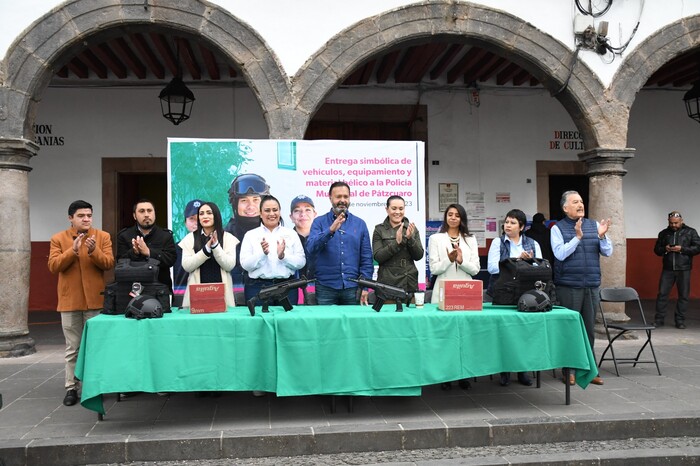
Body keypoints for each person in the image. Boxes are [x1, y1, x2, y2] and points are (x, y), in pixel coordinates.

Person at [48, 200, 114, 407]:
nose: (86, 219)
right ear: (71, 218)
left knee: (96, 346)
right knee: (73, 347)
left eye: (89, 215)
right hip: (70, 302)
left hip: (95, 301)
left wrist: (94, 251)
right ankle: (71, 387)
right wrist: (73, 251)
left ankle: (95, 386)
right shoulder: (58, 239)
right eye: (81, 216)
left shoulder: (102, 236)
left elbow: (109, 264)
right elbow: (53, 266)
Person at [551, 190, 611, 386]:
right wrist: (577, 238)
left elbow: (608, 252)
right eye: (575, 202)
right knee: (570, 329)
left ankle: (590, 370)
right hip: (569, 285)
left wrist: (602, 236)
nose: (580, 205)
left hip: (591, 285)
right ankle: (569, 371)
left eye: (582, 202)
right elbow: (559, 254)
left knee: (589, 330)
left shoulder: (594, 225)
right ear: (565, 207)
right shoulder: (557, 228)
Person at [487, 209, 542, 387]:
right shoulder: (498, 242)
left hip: (525, 293)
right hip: (503, 292)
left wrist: (530, 262)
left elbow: (540, 268)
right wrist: (516, 260)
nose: (508, 225)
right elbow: (492, 268)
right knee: (505, 332)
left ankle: (522, 370)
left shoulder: (532, 244)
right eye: (506, 222)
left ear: (522, 227)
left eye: (512, 223)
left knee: (523, 332)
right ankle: (504, 371)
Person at [428, 203, 480, 391]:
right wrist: (449, 259)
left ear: (462, 219)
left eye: (457, 215)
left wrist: (461, 260)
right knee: (444, 336)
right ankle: (445, 375)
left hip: (464, 291)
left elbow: (474, 269)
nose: (453, 218)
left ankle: (463, 374)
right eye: (450, 214)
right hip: (443, 291)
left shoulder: (470, 239)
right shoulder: (436, 238)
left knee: (464, 336)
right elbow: (434, 269)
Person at [306, 181, 373, 305]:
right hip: (325, 287)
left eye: (345, 197)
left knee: (353, 324)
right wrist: (330, 230)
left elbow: (366, 258)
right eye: (338, 197)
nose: (342, 200)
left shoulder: (360, 224)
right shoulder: (319, 222)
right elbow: (310, 248)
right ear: (330, 197)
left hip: (352, 287)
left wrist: (365, 286)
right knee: (327, 324)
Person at [240, 195, 306, 305]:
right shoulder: (251, 235)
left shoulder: (291, 234)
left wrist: (283, 257)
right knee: (259, 321)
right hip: (258, 287)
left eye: (275, 210)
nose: (271, 214)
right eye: (267, 210)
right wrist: (262, 254)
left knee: (287, 320)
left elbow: (301, 262)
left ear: (279, 212)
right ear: (260, 214)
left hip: (287, 287)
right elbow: (245, 265)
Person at [180, 201, 239, 308]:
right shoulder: (190, 238)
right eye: (201, 214)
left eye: (209, 213)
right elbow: (187, 266)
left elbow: (229, 265)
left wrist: (216, 246)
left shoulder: (228, 237)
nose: (205, 216)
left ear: (215, 215)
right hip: (197, 296)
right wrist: (206, 250)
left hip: (222, 295)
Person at [224, 174, 272, 290]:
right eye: (244, 200)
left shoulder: (278, 232)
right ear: (235, 204)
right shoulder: (225, 237)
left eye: (256, 200)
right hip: (234, 297)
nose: (251, 206)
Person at [116, 198, 176, 291]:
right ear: (134, 216)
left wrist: (148, 252)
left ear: (154, 213)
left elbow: (171, 260)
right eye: (142, 211)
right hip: (132, 290)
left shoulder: (166, 235)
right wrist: (134, 252)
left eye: (149, 211)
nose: (146, 214)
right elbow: (119, 263)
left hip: (160, 290)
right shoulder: (124, 235)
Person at [653, 211, 700, 329]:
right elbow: (657, 250)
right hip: (667, 269)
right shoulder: (663, 233)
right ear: (668, 222)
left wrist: (682, 249)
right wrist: (665, 248)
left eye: (676, 223)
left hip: (684, 268)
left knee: (683, 295)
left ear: (681, 221)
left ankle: (680, 320)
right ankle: (659, 320)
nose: (673, 225)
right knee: (662, 294)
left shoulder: (691, 232)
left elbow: (698, 248)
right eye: (671, 223)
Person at [372, 195, 424, 297]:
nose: (397, 212)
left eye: (401, 208)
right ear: (387, 210)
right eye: (394, 208)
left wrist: (410, 239)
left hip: (408, 280)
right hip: (387, 280)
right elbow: (378, 257)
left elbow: (419, 256)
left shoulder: (411, 228)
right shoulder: (379, 230)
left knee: (409, 312)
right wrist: (397, 242)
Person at [173, 199, 203, 297]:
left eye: (200, 218)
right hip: (182, 297)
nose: (196, 223)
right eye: (192, 219)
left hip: (210, 295)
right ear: (185, 223)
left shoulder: (215, 246)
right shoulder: (176, 249)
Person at [289, 194, 317, 280]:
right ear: (291, 217)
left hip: (320, 289)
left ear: (314, 214)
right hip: (292, 289)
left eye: (307, 210)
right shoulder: (285, 239)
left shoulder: (323, 238)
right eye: (297, 210)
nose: (303, 214)